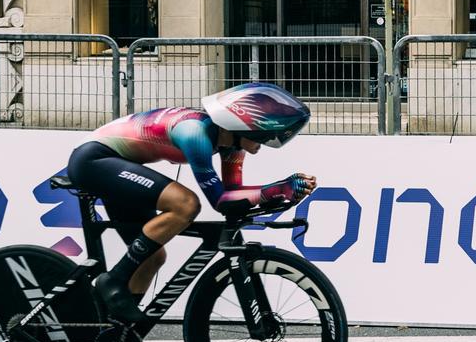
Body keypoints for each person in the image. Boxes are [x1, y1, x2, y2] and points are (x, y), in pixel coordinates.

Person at [67, 82, 315, 324]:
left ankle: (118, 340)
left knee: (153, 257)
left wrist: (282, 193)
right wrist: (277, 188)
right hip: (93, 160)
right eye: (261, 137)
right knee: (185, 204)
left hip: (116, 165)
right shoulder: (195, 133)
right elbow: (219, 201)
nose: (262, 145)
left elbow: (233, 194)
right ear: (244, 128)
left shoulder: (231, 145)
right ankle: (113, 281)